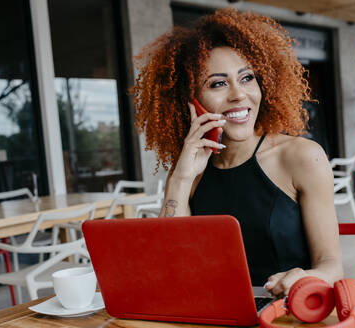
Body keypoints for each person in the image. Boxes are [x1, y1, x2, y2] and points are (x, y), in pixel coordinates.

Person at [132, 7, 343, 296]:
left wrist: (308, 277)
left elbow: (331, 266)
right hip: (213, 313)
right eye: (218, 83)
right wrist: (180, 179)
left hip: (285, 314)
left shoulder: (302, 157)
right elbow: (171, 264)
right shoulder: (189, 170)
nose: (239, 94)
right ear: (189, 101)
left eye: (247, 78)